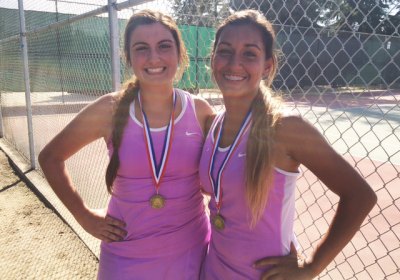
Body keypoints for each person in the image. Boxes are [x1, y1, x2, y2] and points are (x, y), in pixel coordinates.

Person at [198, 10, 377, 280]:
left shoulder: (285, 129)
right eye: (225, 51)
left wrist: (312, 267)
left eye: (249, 53)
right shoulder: (212, 124)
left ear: (267, 65)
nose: (234, 63)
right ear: (212, 59)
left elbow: (361, 195)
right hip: (212, 270)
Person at [39, 10, 214, 279]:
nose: (154, 58)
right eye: (141, 48)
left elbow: (230, 176)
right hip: (125, 253)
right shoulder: (109, 109)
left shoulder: (201, 112)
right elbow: (50, 157)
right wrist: (83, 215)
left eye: (164, 46)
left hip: (190, 250)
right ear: (128, 57)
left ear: (180, 53)